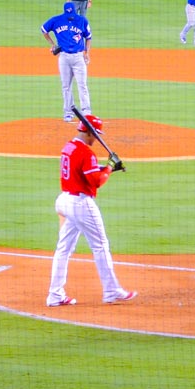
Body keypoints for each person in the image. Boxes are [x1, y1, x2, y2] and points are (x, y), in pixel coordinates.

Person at [46, 113, 137, 307]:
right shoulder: (87, 153)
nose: (97, 138)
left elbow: (83, 170)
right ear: (89, 132)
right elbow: (96, 181)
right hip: (80, 204)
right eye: (95, 135)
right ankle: (111, 291)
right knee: (100, 245)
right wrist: (110, 168)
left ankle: (55, 295)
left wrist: (108, 168)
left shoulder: (69, 146)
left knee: (63, 249)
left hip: (64, 200)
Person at [42, 2, 91, 121]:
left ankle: (86, 112)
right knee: (66, 86)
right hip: (63, 57)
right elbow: (43, 29)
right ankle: (68, 112)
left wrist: (87, 52)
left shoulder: (82, 20)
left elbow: (88, 37)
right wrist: (53, 45)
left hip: (78, 57)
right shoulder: (56, 20)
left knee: (82, 85)